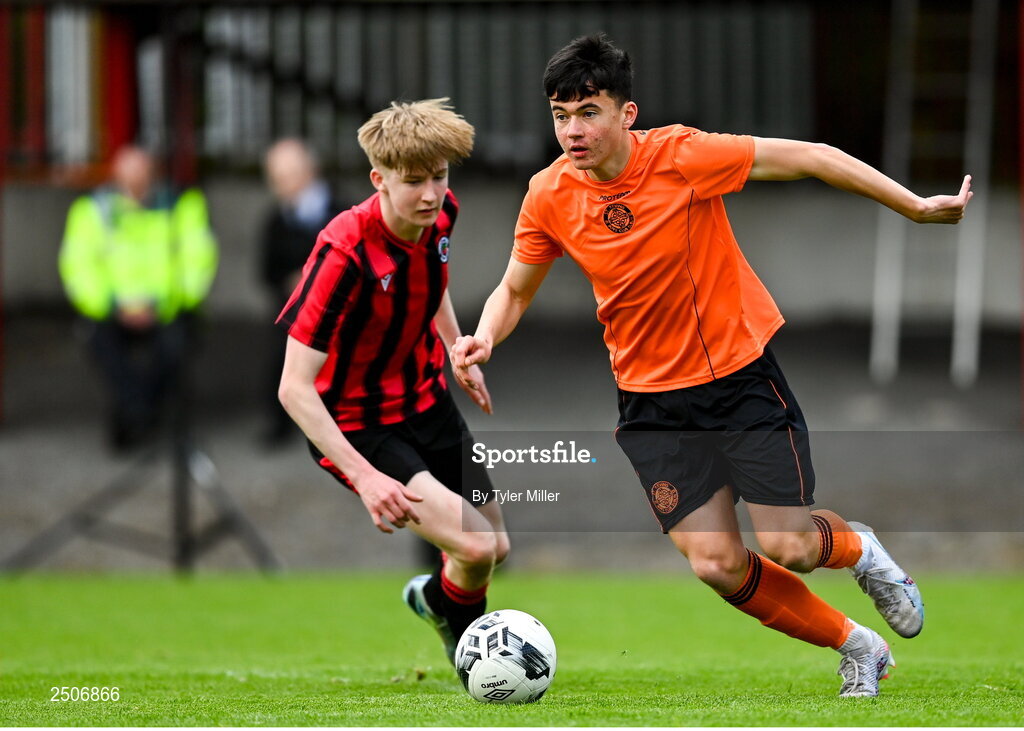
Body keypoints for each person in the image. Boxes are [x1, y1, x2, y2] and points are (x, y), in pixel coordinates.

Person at [452, 35, 972, 698]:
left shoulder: (683, 155)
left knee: (789, 546)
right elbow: (516, 288)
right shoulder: (549, 194)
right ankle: (858, 645)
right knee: (716, 562)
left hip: (737, 380)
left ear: (627, 113)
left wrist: (914, 205)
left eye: (588, 111)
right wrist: (485, 336)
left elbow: (810, 155)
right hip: (650, 406)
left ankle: (861, 550)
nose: (572, 130)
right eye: (560, 114)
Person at [276, 99, 507, 666]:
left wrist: (456, 347)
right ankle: (476, 663)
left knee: (494, 547)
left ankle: (433, 598)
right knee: (473, 545)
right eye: (413, 182)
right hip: (359, 425)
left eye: (439, 177)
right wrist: (366, 480)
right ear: (378, 179)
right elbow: (293, 388)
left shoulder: (441, 212)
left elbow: (432, 284)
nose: (430, 194)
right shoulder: (344, 253)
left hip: (425, 400)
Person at [58, 145, 218, 450]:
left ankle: (138, 411)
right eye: (128, 176)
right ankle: (140, 411)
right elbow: (77, 265)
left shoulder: (182, 205)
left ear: (154, 174)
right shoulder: (91, 211)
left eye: (142, 175)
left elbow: (198, 260)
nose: (135, 184)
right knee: (104, 349)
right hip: (110, 309)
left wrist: (161, 304)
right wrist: (112, 305)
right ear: (115, 176)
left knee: (175, 348)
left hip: (166, 308)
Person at [259, 139, 347, 445]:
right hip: (296, 312)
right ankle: (284, 423)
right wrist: (292, 282)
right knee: (282, 360)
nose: (284, 186)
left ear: (310, 171)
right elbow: (266, 272)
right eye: (278, 179)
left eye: (290, 176)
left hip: (341, 309)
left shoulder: (342, 211)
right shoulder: (276, 221)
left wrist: (318, 278)